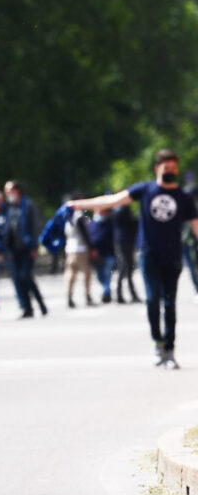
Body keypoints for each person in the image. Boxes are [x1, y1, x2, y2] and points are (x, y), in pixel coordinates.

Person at [69, 149, 198, 368]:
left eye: (174, 168)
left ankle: (169, 350)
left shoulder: (183, 198)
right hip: (149, 254)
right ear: (157, 168)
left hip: (172, 256)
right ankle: (158, 343)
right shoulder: (145, 190)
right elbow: (112, 200)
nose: (171, 171)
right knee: (152, 300)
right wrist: (79, 205)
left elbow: (196, 226)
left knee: (169, 304)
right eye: (166, 168)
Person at [4, 180, 48, 318]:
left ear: (17, 191)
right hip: (13, 249)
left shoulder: (28, 205)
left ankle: (40, 304)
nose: (8, 194)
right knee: (19, 279)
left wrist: (34, 246)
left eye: (10, 190)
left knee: (25, 276)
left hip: (27, 248)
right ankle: (27, 308)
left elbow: (35, 226)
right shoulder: (10, 207)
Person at [63, 204, 94, 308]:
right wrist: (91, 246)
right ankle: (87, 295)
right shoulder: (79, 216)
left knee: (70, 274)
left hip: (69, 248)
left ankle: (69, 295)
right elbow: (84, 233)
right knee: (86, 273)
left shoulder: (66, 217)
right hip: (81, 248)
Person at [113, 204, 141, 304]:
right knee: (125, 268)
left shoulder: (118, 210)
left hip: (124, 242)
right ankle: (121, 294)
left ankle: (126, 294)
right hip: (124, 242)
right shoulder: (122, 210)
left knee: (127, 268)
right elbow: (132, 223)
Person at [88, 208, 117, 303]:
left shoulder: (110, 223)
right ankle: (106, 290)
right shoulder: (91, 224)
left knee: (107, 274)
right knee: (100, 276)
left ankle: (106, 293)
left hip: (109, 254)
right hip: (96, 255)